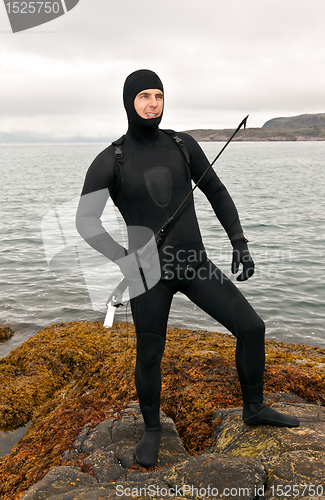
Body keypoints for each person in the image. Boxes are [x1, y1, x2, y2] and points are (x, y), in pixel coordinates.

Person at [76, 69, 300, 467]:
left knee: (252, 327)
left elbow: (216, 191)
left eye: (159, 96)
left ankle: (255, 407)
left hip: (193, 262)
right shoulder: (113, 158)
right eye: (144, 96)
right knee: (149, 354)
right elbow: (85, 220)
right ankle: (151, 431)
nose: (152, 104)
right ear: (129, 102)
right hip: (147, 272)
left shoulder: (183, 145)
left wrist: (239, 243)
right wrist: (122, 258)